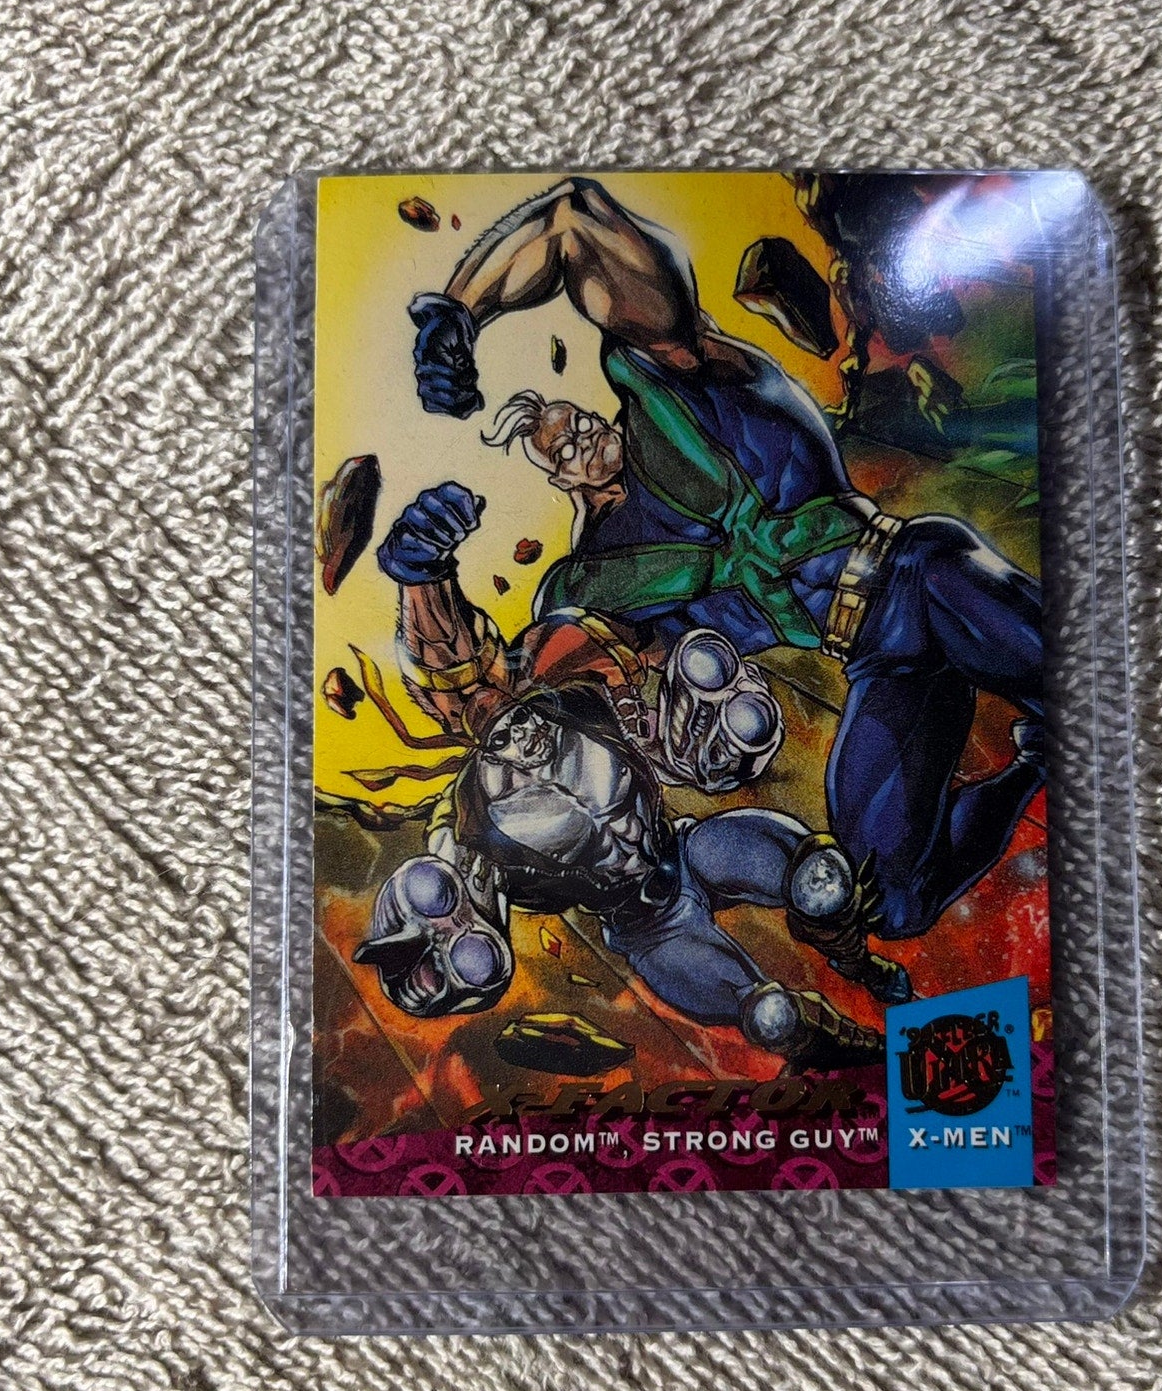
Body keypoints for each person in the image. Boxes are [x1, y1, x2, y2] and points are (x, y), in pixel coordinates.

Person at [396, 177, 1044, 939]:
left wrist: (459, 311)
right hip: (878, 659)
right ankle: (1035, 764)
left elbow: (576, 220)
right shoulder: (594, 583)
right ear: (558, 480)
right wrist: (422, 574)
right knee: (888, 901)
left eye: (575, 422)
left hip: (921, 576)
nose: (576, 439)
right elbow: (486, 693)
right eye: (558, 450)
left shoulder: (683, 386)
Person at [353, 486, 909, 1074]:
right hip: (649, 926)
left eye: (516, 716)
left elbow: (662, 728)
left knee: (823, 880)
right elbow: (449, 673)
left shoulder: (579, 700)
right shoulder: (473, 820)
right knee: (772, 1017)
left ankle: (857, 961)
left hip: (688, 850)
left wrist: (707, 733)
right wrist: (421, 575)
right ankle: (854, 1053)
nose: (520, 733)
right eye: (498, 733)